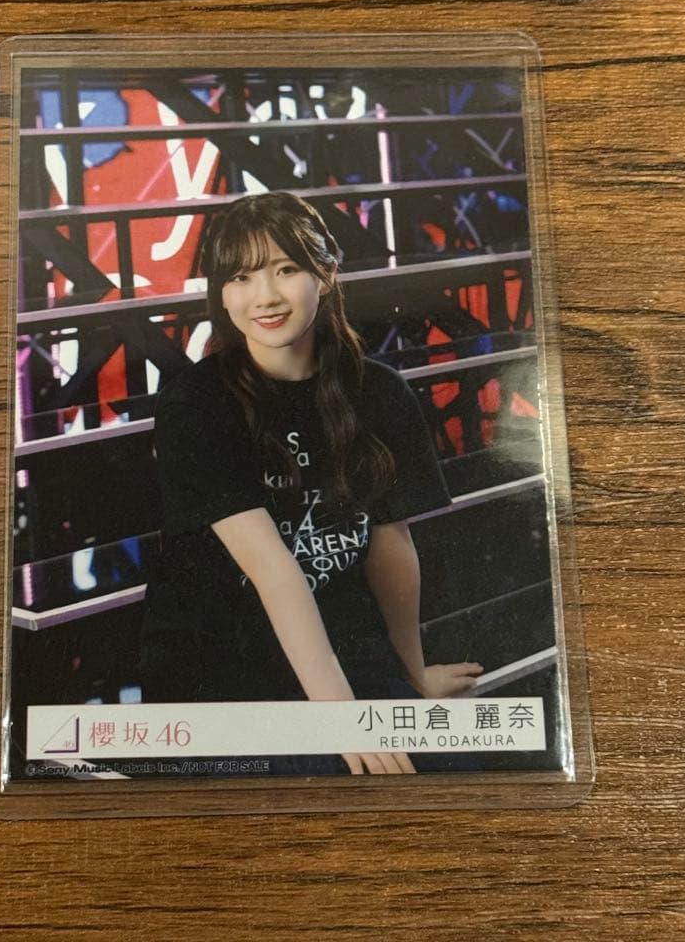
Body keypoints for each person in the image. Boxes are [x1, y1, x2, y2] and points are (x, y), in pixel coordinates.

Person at [140, 191, 482, 775]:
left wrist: (413, 675)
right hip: (221, 666)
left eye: (286, 269)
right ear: (221, 293)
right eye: (241, 277)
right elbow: (273, 569)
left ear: (324, 275)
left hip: (344, 646)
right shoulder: (195, 405)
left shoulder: (380, 391)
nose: (265, 296)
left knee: (446, 775)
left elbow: (390, 544)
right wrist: (341, 720)